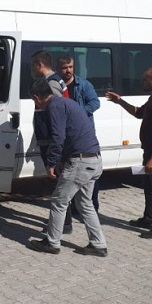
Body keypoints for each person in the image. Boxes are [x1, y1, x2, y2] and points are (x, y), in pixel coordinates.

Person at [27, 78, 107, 257]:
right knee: (85, 203)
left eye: (34, 101)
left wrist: (52, 163)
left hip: (81, 162)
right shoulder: (65, 102)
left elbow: (58, 137)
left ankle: (52, 243)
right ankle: (98, 244)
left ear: (37, 97)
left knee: (59, 201)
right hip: (94, 159)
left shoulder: (54, 106)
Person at [106, 67, 152, 239]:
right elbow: (139, 113)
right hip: (150, 151)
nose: (142, 82)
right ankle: (149, 219)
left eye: (145, 79)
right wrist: (120, 101)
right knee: (150, 187)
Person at [30, 50, 74, 234]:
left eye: (33, 65)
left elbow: (58, 114)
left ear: (39, 64)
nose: (32, 69)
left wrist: (54, 145)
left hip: (52, 141)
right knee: (57, 184)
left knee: (57, 184)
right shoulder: (54, 80)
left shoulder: (51, 83)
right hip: (50, 140)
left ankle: (63, 224)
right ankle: (62, 222)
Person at [57, 55, 102, 213]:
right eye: (64, 68)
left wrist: (78, 113)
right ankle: (73, 207)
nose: (68, 70)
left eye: (70, 67)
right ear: (58, 69)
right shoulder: (56, 85)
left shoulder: (83, 84)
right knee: (70, 173)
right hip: (66, 134)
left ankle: (92, 207)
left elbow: (95, 102)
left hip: (83, 133)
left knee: (88, 174)